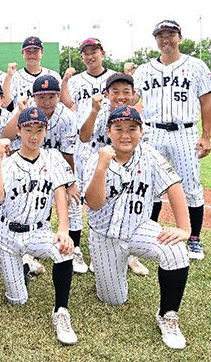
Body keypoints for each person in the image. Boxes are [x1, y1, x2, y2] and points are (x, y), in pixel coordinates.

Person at [83, 106, 191, 350]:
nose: (125, 135)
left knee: (176, 251)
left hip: (138, 229)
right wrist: (101, 167)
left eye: (132, 129)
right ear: (108, 131)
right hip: (105, 236)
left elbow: (173, 186)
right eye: (119, 129)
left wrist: (184, 228)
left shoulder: (150, 155)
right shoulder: (97, 159)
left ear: (141, 132)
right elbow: (95, 203)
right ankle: (117, 265)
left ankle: (168, 315)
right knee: (113, 299)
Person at [0, 107, 78, 345]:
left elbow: (60, 192)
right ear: (19, 130)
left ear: (46, 130)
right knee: (17, 300)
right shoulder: (8, 163)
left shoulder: (53, 157)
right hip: (7, 234)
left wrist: (63, 229)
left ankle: (61, 311)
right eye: (28, 130)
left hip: (39, 231)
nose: (34, 135)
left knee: (64, 250)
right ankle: (25, 267)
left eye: (39, 130)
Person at [131, 20, 211, 260]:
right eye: (160, 35)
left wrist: (206, 136)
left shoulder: (197, 66)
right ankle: (147, 236)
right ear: (155, 40)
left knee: (191, 187)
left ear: (180, 37)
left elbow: (206, 104)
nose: (165, 39)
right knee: (148, 186)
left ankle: (194, 238)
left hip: (184, 133)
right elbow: (132, 99)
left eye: (170, 34)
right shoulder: (144, 70)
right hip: (152, 132)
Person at [3, 75, 87, 274]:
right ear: (34, 97)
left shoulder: (66, 117)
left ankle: (74, 247)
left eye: (51, 96)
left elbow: (67, 154)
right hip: (28, 164)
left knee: (73, 200)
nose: (46, 101)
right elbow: (7, 138)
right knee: (26, 202)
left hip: (56, 164)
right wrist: (19, 111)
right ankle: (26, 249)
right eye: (41, 97)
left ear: (58, 96)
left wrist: (69, 183)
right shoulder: (26, 111)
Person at [79, 73, 149, 276]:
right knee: (98, 212)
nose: (121, 96)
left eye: (126, 92)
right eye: (115, 91)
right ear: (107, 94)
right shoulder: (99, 113)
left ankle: (131, 256)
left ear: (133, 95)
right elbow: (84, 137)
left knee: (129, 211)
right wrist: (94, 111)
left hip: (127, 170)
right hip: (101, 170)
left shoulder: (137, 119)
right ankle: (99, 255)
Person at [2, 36, 62, 108]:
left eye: (35, 51)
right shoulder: (15, 76)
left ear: (42, 52)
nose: (32, 55)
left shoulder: (53, 75)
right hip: (22, 114)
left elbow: (61, 101)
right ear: (23, 53)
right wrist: (8, 77)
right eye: (28, 51)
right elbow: (4, 103)